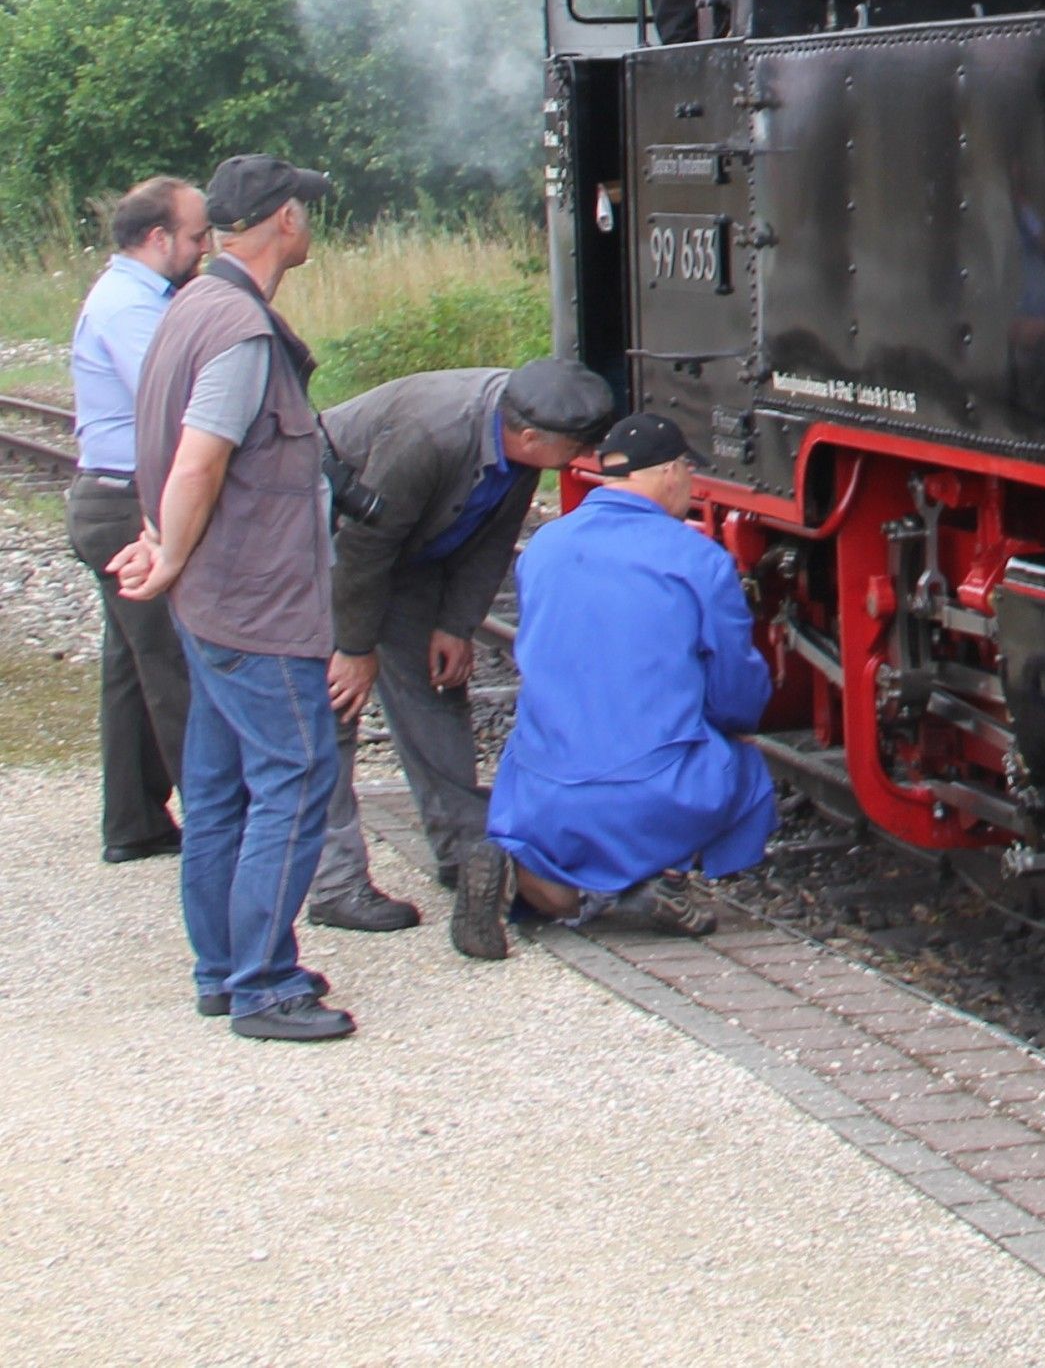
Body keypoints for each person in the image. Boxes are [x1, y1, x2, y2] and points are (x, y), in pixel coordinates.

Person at [116, 156, 351, 1042]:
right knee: (295, 779)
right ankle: (264, 985)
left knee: (216, 794)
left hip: (214, 607)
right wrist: (169, 552)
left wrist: (172, 556)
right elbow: (201, 457)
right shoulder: (242, 333)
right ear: (284, 221)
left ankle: (222, 969)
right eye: (307, 212)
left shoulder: (188, 307)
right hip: (256, 604)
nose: (310, 226)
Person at [310, 356, 616, 961]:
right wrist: (353, 648)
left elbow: (494, 536)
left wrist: (454, 624)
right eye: (578, 446)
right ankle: (334, 883)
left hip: (409, 547)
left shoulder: (521, 439)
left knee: (436, 688)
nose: (583, 456)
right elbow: (365, 546)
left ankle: (466, 851)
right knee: (332, 708)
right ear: (531, 437)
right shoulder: (431, 435)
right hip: (331, 547)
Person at [486, 411, 776, 934]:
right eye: (688, 469)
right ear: (669, 472)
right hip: (654, 790)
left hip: (540, 793)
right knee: (742, 768)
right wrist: (731, 722)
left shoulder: (544, 548)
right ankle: (663, 876)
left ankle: (530, 870)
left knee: (552, 792)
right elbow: (735, 690)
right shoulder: (699, 558)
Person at [64, 177, 212, 863]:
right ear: (159, 239)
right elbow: (176, 399)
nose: (203, 247)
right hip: (127, 503)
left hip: (113, 496)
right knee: (172, 667)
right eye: (194, 236)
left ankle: (134, 824)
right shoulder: (129, 306)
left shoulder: (134, 297)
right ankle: (218, 830)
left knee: (131, 668)